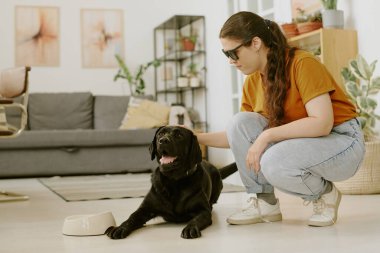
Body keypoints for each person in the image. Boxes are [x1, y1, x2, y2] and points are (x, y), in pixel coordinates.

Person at [195, 11, 366, 227]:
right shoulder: (252, 82)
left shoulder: (301, 63)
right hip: (309, 144)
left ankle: (326, 195)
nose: (231, 61)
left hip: (343, 142)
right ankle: (265, 203)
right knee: (240, 122)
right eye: (225, 54)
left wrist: (267, 135)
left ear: (255, 43)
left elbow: (322, 123)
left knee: (273, 161)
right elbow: (239, 137)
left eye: (233, 53)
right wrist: (196, 137)